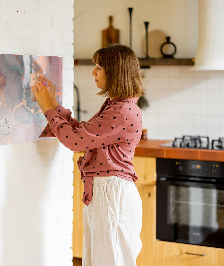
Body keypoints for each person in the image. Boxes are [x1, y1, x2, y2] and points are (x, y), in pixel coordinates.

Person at [32, 44, 144, 266]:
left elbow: (75, 141)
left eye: (99, 67)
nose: (93, 72)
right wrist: (53, 103)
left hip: (112, 195)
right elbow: (83, 133)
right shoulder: (117, 106)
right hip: (107, 193)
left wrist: (47, 108)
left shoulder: (121, 111)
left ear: (115, 72)